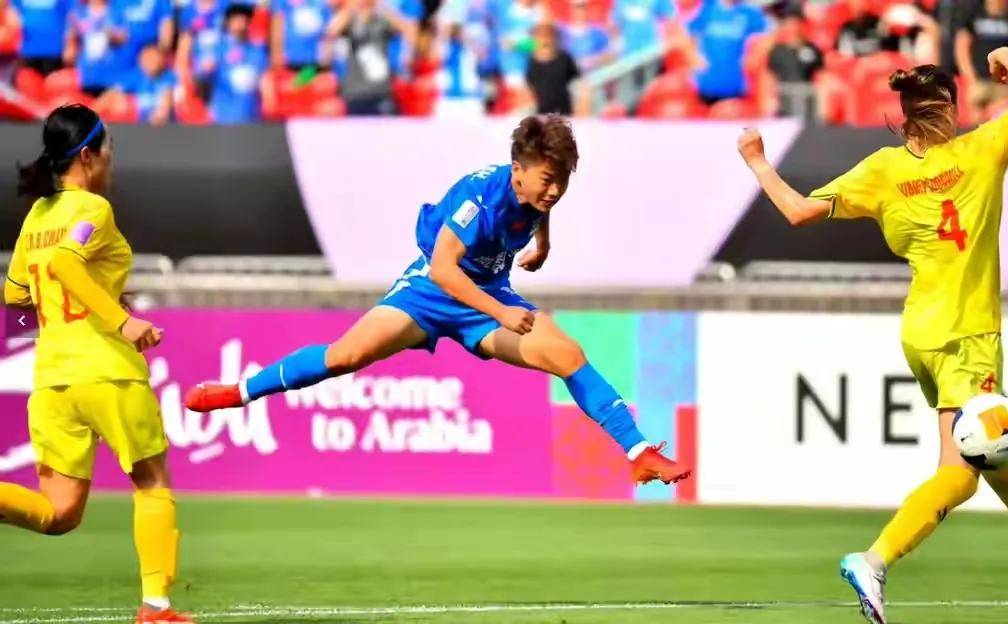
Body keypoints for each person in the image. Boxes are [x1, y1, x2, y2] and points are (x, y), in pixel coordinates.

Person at [736, 50, 1008, 624]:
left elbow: (796, 211)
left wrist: (757, 162)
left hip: (921, 331)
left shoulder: (882, 170)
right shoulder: (982, 149)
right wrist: (1005, 56)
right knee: (961, 473)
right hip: (967, 333)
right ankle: (873, 560)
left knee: (986, 436)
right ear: (949, 107)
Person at [185, 115, 691, 487]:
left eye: (563, 180)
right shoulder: (479, 196)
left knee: (568, 355)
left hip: (487, 298)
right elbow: (444, 269)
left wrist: (543, 244)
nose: (555, 190)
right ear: (517, 170)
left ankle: (639, 452)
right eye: (547, 180)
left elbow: (539, 209)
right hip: (430, 294)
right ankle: (241, 391)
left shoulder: (536, 193)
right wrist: (500, 311)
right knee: (345, 356)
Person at [0, 104, 189, 624]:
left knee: (59, 513)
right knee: (151, 481)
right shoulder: (93, 209)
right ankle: (156, 606)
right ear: (87, 155)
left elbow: (15, 299)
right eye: (108, 150)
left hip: (52, 380)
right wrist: (120, 320)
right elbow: (66, 262)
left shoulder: (37, 216)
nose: (111, 161)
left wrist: (62, 318)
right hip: (108, 372)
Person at [955, 0, 1008, 120]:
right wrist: (970, 77)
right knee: (976, 123)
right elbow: (962, 46)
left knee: (1002, 122)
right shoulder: (974, 13)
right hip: (978, 81)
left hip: (1002, 83)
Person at [687, 0, 767, 104]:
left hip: (736, 84)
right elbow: (687, 33)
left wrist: (752, 59)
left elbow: (765, 40)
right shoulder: (706, 8)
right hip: (706, 83)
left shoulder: (751, 13)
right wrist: (694, 56)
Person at [326, 0, 396, 115]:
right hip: (354, 93)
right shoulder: (349, 22)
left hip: (381, 91)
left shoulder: (382, 21)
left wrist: (383, 9)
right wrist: (351, 7)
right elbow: (331, 32)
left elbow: (410, 32)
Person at [209, 2, 274, 124]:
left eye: (245, 19)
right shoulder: (217, 48)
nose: (241, 23)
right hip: (223, 116)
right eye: (237, 19)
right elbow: (203, 77)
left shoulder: (257, 50)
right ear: (228, 22)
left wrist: (269, 102)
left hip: (251, 115)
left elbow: (265, 80)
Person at [64, 0, 127, 96]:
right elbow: (70, 44)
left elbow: (124, 38)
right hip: (87, 76)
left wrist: (112, 35)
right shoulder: (78, 13)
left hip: (112, 77)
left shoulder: (117, 11)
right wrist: (71, 48)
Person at [526, 22, 580, 115]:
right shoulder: (531, 60)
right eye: (540, 36)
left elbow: (575, 80)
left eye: (547, 36)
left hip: (563, 109)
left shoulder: (564, 58)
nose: (544, 40)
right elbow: (530, 84)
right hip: (539, 109)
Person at [270, 0, 332, 71]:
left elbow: (328, 30)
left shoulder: (323, 3)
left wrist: (326, 56)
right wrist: (276, 55)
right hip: (290, 59)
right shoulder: (281, 2)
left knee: (307, 76)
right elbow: (277, 27)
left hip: (315, 60)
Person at [12, 0, 68, 76]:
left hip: (53, 49)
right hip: (27, 49)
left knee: (53, 81)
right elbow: (13, 13)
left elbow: (70, 14)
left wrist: (69, 46)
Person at [126, 44, 176, 124]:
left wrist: (160, 114)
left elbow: (167, 100)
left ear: (161, 60)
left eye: (153, 59)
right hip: (141, 126)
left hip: (165, 126)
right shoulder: (137, 77)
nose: (149, 62)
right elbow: (115, 94)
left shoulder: (169, 77)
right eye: (146, 58)